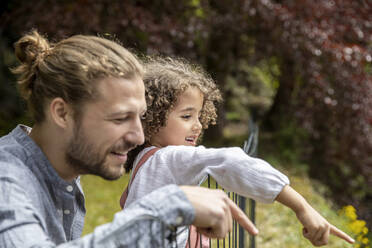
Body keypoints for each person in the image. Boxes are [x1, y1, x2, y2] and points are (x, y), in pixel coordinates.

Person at [0, 30, 259, 247]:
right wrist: (165, 209)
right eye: (120, 118)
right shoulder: (6, 180)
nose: (138, 136)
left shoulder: (60, 170)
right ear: (62, 112)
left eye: (141, 116)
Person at [120, 56, 355, 247]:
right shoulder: (169, 158)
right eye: (186, 116)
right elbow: (230, 161)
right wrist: (301, 207)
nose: (198, 125)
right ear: (150, 119)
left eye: (199, 116)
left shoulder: (145, 158)